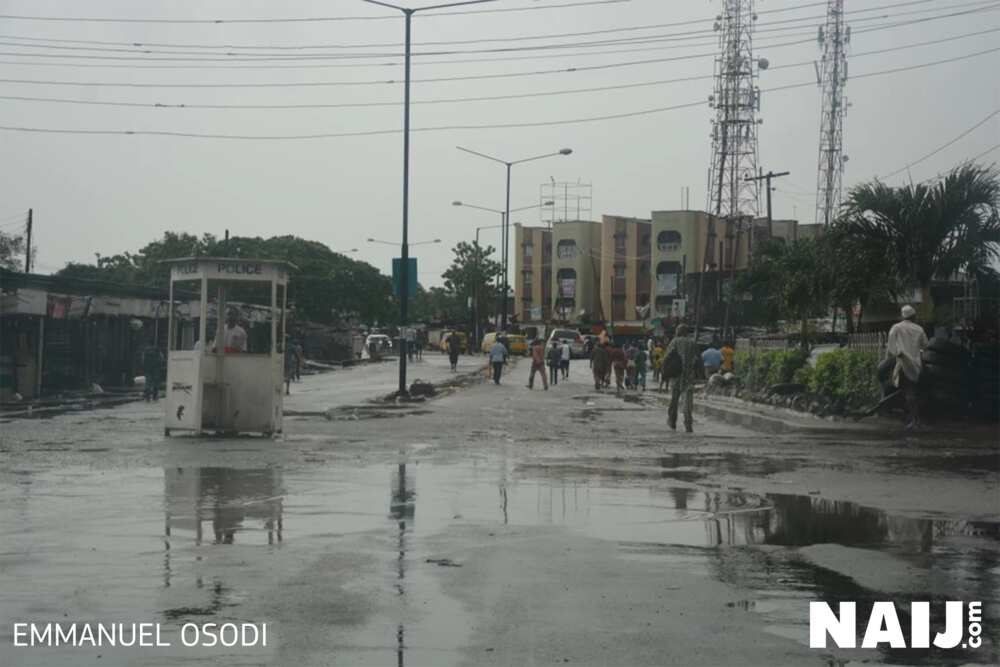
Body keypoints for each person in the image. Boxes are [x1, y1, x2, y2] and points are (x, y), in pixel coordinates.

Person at [887, 304, 929, 430]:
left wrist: (897, 353)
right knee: (912, 390)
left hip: (902, 364)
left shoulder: (896, 328)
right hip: (916, 365)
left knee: (908, 392)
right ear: (914, 316)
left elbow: (891, 346)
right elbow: (925, 345)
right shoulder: (919, 329)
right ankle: (914, 419)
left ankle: (914, 419)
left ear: (902, 316)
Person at [665, 324, 699, 432]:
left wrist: (665, 373)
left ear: (678, 332)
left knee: (674, 400)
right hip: (688, 376)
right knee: (687, 400)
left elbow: (667, 358)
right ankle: (688, 422)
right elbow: (697, 359)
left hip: (676, 375)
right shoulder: (692, 343)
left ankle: (672, 421)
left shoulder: (674, 342)